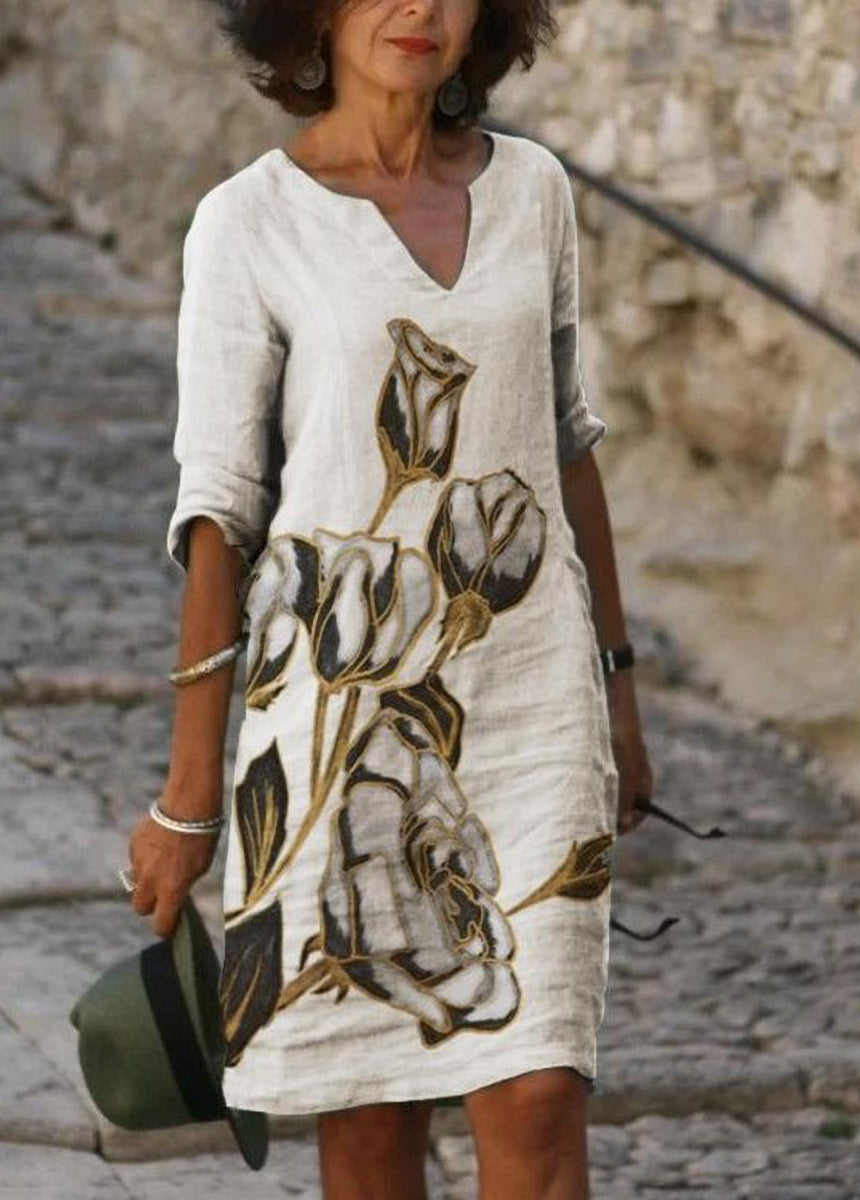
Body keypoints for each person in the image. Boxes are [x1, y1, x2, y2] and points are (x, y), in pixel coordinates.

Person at [126, 1, 654, 1196]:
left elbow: (566, 443)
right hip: (331, 720)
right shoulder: (248, 222)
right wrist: (189, 795)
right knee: (367, 1128)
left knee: (538, 1095)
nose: (416, 8)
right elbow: (217, 512)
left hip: (530, 707)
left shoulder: (533, 192)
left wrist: (617, 693)